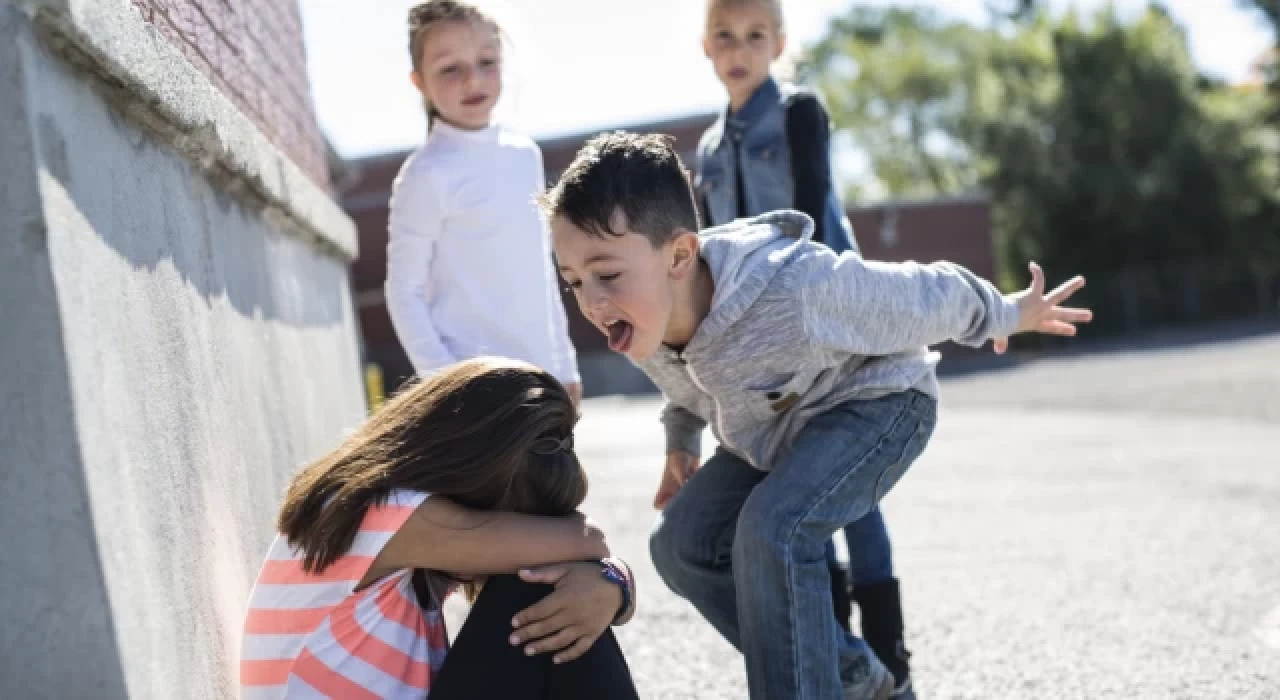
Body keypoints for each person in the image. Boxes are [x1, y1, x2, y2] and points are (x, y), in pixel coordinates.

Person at [543, 132, 1091, 700]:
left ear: (680, 255)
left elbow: (922, 294)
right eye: (573, 281)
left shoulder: (794, 289)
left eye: (607, 274)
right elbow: (684, 389)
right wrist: (680, 441)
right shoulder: (648, 320)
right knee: (680, 543)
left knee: (774, 528)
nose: (591, 301)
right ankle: (846, 671)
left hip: (878, 406)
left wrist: (1004, 312)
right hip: (774, 431)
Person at [691, 0, 904, 693]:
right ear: (706, 46)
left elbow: (813, 209)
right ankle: (841, 664)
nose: (738, 48)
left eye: (755, 36)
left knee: (855, 498)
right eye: (724, 36)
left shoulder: (799, 112)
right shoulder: (707, 150)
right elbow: (712, 257)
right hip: (761, 349)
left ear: (779, 43)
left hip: (832, 325)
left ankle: (893, 666)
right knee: (800, 492)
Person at [239, 357, 641, 699]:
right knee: (536, 584)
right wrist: (608, 576)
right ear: (468, 475)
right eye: (509, 520)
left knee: (559, 591)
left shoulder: (399, 534)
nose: (513, 538)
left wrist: (610, 582)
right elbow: (589, 541)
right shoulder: (382, 511)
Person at [385, 0, 581, 404]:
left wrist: (565, 365)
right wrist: (446, 382)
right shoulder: (425, 175)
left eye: (486, 62)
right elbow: (404, 292)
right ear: (419, 81)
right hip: (474, 391)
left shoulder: (524, 154)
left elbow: (541, 272)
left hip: (541, 378)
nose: (472, 80)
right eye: (449, 69)